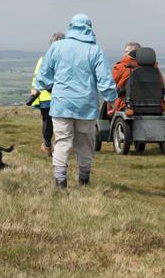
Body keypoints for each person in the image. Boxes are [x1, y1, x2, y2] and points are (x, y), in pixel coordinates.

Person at [35, 14, 116, 188]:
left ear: (70, 27)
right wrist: (111, 99)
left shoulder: (57, 47)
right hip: (86, 105)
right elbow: (105, 79)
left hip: (61, 104)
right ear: (89, 28)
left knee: (62, 141)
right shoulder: (95, 50)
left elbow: (44, 75)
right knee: (85, 142)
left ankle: (60, 182)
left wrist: (39, 87)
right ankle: (84, 180)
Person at [31, 32, 65, 155]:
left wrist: (34, 91)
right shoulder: (67, 61)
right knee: (62, 123)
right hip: (62, 96)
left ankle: (47, 146)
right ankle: (60, 148)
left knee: (47, 122)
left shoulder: (43, 59)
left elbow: (37, 77)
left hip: (45, 96)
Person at [111, 41, 165, 114]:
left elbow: (111, 84)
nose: (126, 54)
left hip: (126, 105)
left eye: (128, 52)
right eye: (126, 52)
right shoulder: (155, 69)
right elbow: (161, 85)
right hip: (156, 105)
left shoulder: (122, 67)